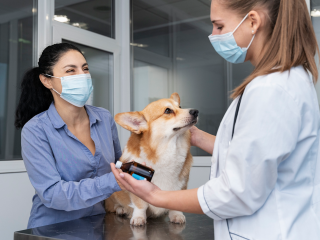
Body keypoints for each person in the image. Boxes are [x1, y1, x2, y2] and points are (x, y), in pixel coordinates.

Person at [111, 0, 320, 239]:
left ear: (253, 21)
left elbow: (236, 192)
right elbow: (251, 155)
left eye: (219, 26)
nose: (213, 35)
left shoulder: (271, 89)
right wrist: (197, 137)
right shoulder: (287, 79)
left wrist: (155, 196)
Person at [15, 43, 122, 228]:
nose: (82, 75)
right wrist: (115, 181)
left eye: (85, 68)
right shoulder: (36, 130)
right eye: (71, 71)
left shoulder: (104, 118)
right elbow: (53, 194)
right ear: (47, 81)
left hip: (97, 224)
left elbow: (119, 164)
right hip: (52, 230)